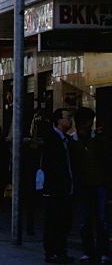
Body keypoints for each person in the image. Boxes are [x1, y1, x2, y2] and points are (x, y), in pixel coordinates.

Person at [72, 107, 111, 264]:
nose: (90, 123)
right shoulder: (74, 141)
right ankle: (90, 252)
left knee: (101, 220)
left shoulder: (98, 140)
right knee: (86, 221)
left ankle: (101, 252)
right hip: (85, 185)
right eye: (88, 120)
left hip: (98, 183)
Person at [40, 107, 77, 263]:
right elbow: (50, 164)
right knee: (54, 220)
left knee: (64, 221)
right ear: (59, 120)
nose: (70, 121)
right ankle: (52, 251)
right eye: (67, 117)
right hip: (55, 188)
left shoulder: (67, 140)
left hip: (66, 188)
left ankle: (60, 250)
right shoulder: (52, 139)